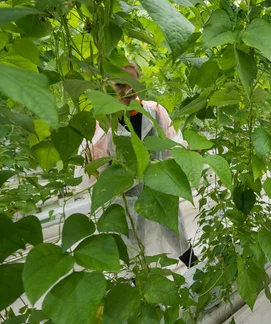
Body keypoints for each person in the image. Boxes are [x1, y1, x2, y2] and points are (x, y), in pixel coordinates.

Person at [76, 62, 199, 268]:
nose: (128, 90)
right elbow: (91, 164)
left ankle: (196, 270)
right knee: (133, 242)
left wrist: (188, 152)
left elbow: (172, 142)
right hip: (125, 197)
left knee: (173, 228)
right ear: (109, 87)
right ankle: (141, 287)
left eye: (132, 82)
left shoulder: (155, 111)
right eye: (119, 85)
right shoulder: (104, 120)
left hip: (158, 188)